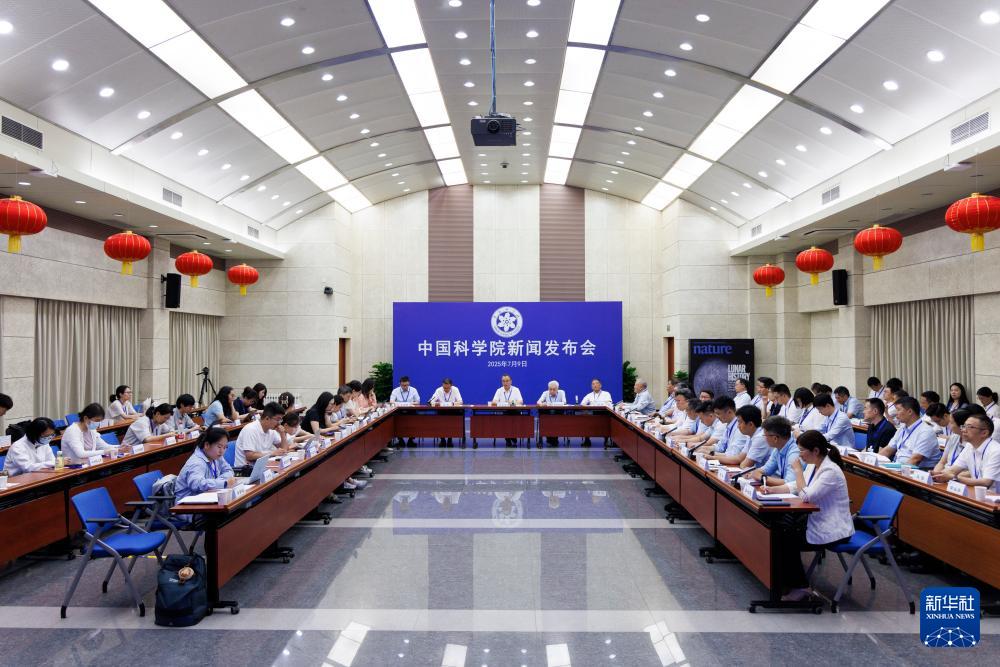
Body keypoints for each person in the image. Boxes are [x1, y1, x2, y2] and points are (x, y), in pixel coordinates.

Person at [768, 430, 854, 602]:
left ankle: (800, 586)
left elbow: (806, 495)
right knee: (777, 529)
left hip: (832, 528)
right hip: (814, 520)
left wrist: (798, 471)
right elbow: (797, 486)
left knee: (785, 538)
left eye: (802, 450)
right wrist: (773, 490)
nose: (799, 455)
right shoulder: (814, 465)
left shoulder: (830, 471)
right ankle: (783, 582)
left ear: (815, 450)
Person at [932, 414, 1000, 492]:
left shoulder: (996, 451)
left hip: (994, 496)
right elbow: (953, 470)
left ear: (984, 433)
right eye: (964, 426)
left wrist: (955, 478)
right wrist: (937, 475)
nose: (963, 430)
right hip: (976, 492)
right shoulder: (969, 446)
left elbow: (986, 482)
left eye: (970, 427)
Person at [174, 427, 236, 503]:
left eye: (225, 447)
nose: (222, 451)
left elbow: (229, 471)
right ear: (207, 445)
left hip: (207, 498)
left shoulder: (216, 456)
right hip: (188, 505)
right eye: (219, 447)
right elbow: (196, 484)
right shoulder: (196, 462)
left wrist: (219, 482)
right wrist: (223, 483)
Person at [880, 396, 940, 468]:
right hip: (898, 466)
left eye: (898, 410)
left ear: (910, 412)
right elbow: (887, 450)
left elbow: (915, 459)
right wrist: (875, 461)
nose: (896, 413)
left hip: (918, 470)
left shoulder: (926, 431)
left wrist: (895, 471)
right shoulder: (902, 428)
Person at [233, 402, 289, 469]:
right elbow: (249, 456)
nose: (279, 423)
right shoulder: (250, 429)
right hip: (246, 469)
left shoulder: (271, 430)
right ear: (267, 418)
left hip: (261, 466)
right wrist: (272, 453)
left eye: (281, 420)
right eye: (278, 419)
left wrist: (282, 434)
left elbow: (284, 450)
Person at [749, 416, 799, 490]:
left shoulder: (795, 453)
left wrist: (762, 477)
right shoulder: (778, 447)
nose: (764, 438)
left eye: (765, 436)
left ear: (775, 438)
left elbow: (790, 483)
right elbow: (766, 469)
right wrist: (757, 473)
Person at [930, 405, 967, 475]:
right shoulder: (953, 437)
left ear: (961, 426)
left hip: (956, 477)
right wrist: (935, 473)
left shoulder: (971, 443)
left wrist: (946, 475)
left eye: (952, 423)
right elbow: (942, 462)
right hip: (945, 474)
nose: (949, 425)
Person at [490, 374, 524, 446]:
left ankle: (513, 436)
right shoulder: (499, 390)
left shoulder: (516, 390)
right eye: (503, 381)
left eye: (507, 381)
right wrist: (500, 403)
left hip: (515, 412)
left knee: (513, 416)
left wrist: (511, 402)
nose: (505, 383)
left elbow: (521, 401)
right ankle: (508, 439)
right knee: (505, 416)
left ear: (511, 381)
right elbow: (494, 402)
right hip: (503, 411)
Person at [430, 378, 463, 447]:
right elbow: (430, 401)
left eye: (448, 388)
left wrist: (452, 403)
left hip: (452, 411)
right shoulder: (439, 390)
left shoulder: (455, 389)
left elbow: (460, 402)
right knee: (440, 421)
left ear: (451, 386)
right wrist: (436, 403)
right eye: (444, 388)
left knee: (452, 422)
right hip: (442, 411)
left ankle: (450, 439)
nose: (446, 390)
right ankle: (442, 439)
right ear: (442, 385)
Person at [580, 378, 613, 447]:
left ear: (600, 385)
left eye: (596, 383)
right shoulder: (589, 395)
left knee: (606, 420)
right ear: (591, 386)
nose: (595, 385)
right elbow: (582, 404)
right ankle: (587, 440)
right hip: (592, 413)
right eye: (593, 384)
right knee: (585, 419)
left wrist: (598, 403)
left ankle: (606, 440)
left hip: (604, 413)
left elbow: (609, 404)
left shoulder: (606, 394)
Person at [537, 381, 567, 446]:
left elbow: (564, 402)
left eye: (554, 389)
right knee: (546, 419)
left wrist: (550, 404)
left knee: (556, 420)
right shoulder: (545, 393)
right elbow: (538, 402)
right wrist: (541, 404)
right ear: (548, 389)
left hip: (558, 414)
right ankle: (548, 439)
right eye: (550, 389)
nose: (552, 391)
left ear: (557, 389)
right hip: (548, 414)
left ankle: (554, 439)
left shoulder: (562, 392)